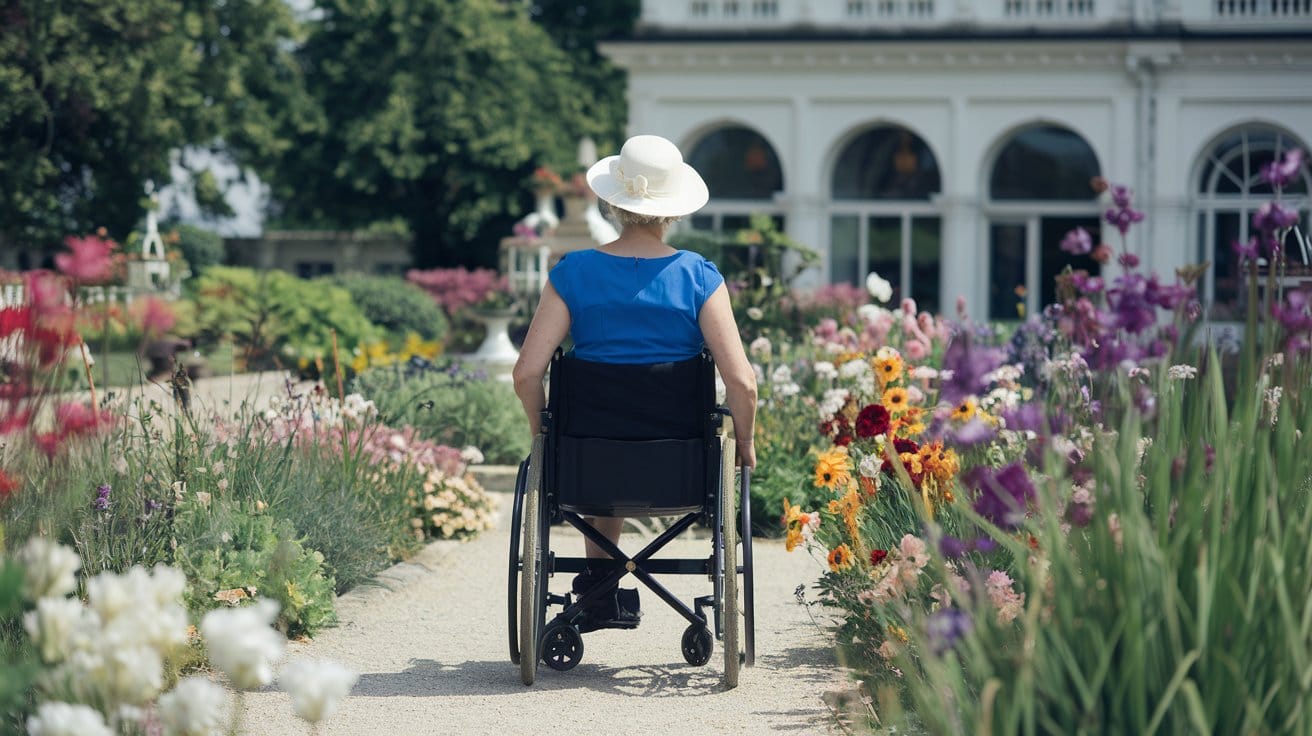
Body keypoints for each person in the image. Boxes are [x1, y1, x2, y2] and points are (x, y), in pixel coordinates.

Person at [512, 134, 758, 631]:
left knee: (605, 443)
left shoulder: (574, 272)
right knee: (633, 436)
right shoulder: (698, 277)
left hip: (587, 461)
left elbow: (526, 374)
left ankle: (599, 592)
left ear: (613, 202)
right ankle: (602, 593)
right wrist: (746, 444)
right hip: (680, 466)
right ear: (675, 210)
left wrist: (544, 435)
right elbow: (742, 383)